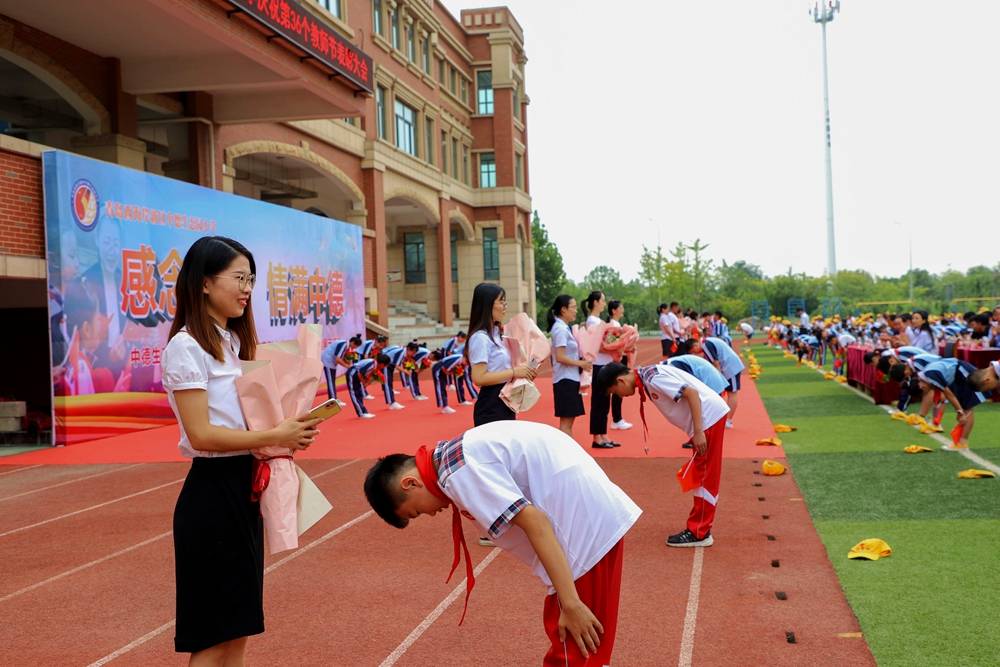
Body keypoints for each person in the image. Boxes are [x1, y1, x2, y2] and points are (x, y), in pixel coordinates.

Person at [363, 420, 641, 666]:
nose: (430, 514)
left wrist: (569, 603)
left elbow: (535, 522)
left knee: (573, 645)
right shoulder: (452, 455)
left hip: (580, 532)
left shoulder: (459, 472)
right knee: (587, 644)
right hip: (590, 517)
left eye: (417, 512)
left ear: (410, 484)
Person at [161, 236, 319, 662]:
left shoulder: (232, 343)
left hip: (245, 488)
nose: (248, 288)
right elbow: (202, 435)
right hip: (212, 497)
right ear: (205, 283)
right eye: (239, 278)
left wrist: (291, 429)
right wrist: (274, 436)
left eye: (251, 279)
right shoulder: (186, 348)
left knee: (238, 629)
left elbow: (249, 419)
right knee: (213, 636)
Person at [596, 361, 728, 547]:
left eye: (615, 392)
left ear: (620, 381)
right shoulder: (648, 375)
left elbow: (691, 393)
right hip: (707, 419)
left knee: (704, 475)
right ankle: (700, 527)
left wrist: (698, 431)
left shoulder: (653, 378)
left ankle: (700, 531)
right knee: (702, 473)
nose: (620, 396)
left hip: (708, 420)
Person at [466, 282, 536, 427]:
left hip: (505, 399)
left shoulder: (497, 335)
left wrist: (524, 371)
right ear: (487, 305)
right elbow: (478, 377)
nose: (505, 306)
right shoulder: (480, 338)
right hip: (491, 404)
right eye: (501, 302)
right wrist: (514, 372)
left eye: (505, 302)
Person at [918, 358, 989, 449]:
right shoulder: (927, 375)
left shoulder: (930, 375)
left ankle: (962, 443)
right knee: (965, 407)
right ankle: (960, 441)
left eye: (921, 384)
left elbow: (949, 395)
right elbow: (942, 398)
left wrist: (959, 412)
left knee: (967, 408)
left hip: (962, 372)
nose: (920, 386)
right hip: (957, 373)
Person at [547, 295, 591, 438]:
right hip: (564, 380)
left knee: (568, 422)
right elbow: (559, 357)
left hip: (570, 378)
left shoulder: (564, 327)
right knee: (566, 423)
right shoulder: (560, 329)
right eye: (573, 307)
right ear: (563, 309)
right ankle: (564, 455)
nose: (576, 310)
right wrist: (581, 363)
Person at [689, 337, 744, 429]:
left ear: (695, 345)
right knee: (725, 393)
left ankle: (728, 421)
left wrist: (718, 378)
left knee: (732, 393)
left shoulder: (705, 344)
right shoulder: (707, 342)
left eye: (693, 351)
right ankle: (721, 418)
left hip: (731, 367)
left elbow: (716, 362)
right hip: (728, 367)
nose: (695, 353)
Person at [585, 290, 617, 449]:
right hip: (599, 365)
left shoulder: (598, 321)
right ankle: (596, 437)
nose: (604, 303)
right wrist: (613, 346)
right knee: (598, 401)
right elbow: (598, 345)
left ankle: (603, 434)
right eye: (603, 300)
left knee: (605, 401)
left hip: (606, 365)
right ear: (596, 302)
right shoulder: (592, 321)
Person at [606, 300, 633, 432]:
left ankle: (618, 418)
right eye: (620, 307)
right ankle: (617, 419)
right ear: (613, 310)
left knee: (620, 390)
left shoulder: (617, 324)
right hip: (615, 361)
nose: (622, 309)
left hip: (620, 359)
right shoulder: (612, 325)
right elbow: (611, 344)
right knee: (618, 389)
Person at [346, 354, 390, 419]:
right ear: (382, 364)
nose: (384, 367)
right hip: (352, 373)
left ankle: (363, 412)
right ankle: (362, 413)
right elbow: (360, 373)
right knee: (354, 394)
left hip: (357, 374)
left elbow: (368, 376)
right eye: (385, 365)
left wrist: (367, 383)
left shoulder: (375, 365)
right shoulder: (372, 365)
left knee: (359, 394)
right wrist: (364, 383)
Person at [380, 345, 407, 410]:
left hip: (389, 364)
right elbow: (397, 365)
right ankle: (391, 403)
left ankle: (392, 401)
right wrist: (406, 372)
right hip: (385, 364)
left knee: (389, 382)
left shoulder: (402, 350)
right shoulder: (402, 351)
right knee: (387, 383)